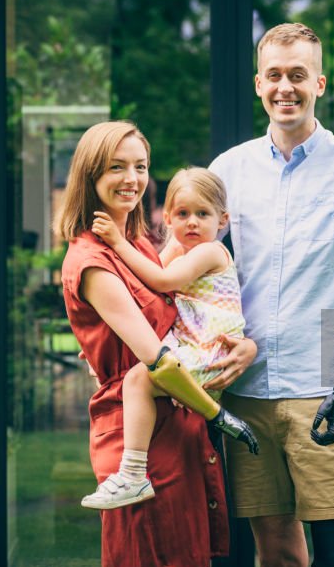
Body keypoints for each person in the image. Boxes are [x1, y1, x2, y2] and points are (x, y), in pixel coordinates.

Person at [208, 23, 334, 567]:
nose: (285, 88)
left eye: (298, 75)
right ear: (258, 83)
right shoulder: (226, 172)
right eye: (274, 75)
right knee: (273, 553)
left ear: (319, 82)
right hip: (246, 393)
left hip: (325, 391)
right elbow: (194, 277)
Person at [58, 121, 258, 567]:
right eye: (116, 166)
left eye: (140, 166)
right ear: (91, 174)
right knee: (145, 562)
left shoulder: (139, 244)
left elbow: (184, 312)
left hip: (177, 425)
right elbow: (156, 359)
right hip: (142, 442)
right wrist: (216, 414)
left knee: (186, 563)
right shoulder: (93, 258)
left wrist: (245, 346)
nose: (131, 177)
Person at [82, 166, 259, 511]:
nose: (192, 222)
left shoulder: (210, 253)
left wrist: (117, 242)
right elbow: (143, 290)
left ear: (222, 220)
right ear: (167, 217)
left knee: (138, 380)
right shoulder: (179, 248)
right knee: (138, 368)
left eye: (202, 214)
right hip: (190, 345)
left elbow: (161, 281)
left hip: (211, 352)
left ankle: (133, 474)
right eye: (182, 213)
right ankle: (134, 472)